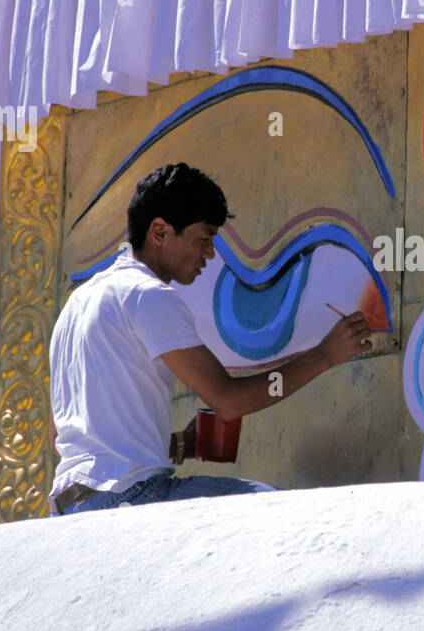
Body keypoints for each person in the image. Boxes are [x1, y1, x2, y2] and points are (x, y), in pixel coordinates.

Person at [47, 162, 371, 516]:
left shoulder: (75, 306)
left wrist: (181, 446)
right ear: (160, 232)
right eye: (204, 239)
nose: (210, 254)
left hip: (70, 507)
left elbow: (60, 437)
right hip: (134, 497)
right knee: (274, 508)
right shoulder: (148, 295)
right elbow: (228, 401)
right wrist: (324, 356)